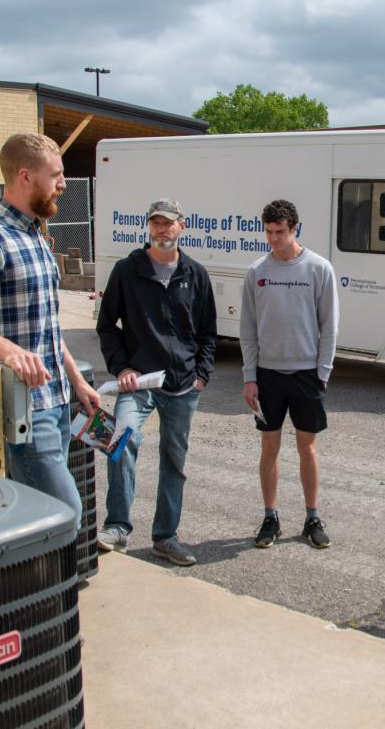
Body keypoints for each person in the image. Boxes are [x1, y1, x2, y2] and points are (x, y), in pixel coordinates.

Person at [0, 132, 99, 526]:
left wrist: (76, 381)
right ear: (25, 177)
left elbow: (46, 329)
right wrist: (13, 354)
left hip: (54, 400)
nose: (64, 185)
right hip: (21, 409)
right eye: (56, 175)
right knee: (65, 514)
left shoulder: (36, 237)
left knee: (39, 518)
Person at [95, 199, 217, 566]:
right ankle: (117, 527)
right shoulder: (127, 270)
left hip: (182, 385)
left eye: (169, 223)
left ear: (182, 226)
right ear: (148, 228)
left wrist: (201, 375)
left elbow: (209, 333)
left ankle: (166, 537)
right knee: (120, 440)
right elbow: (106, 327)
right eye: (156, 224)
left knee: (174, 462)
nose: (162, 230)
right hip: (138, 382)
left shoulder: (195, 274)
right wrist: (121, 368)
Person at [241, 199, 339, 550]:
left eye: (280, 232)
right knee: (269, 448)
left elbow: (329, 327)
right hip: (267, 376)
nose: (273, 239)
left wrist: (322, 373)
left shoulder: (318, 268)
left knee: (307, 449)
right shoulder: (256, 272)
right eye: (268, 232)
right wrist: (249, 376)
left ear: (295, 228)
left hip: (306, 374)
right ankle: (271, 517)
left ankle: (312, 517)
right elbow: (248, 329)